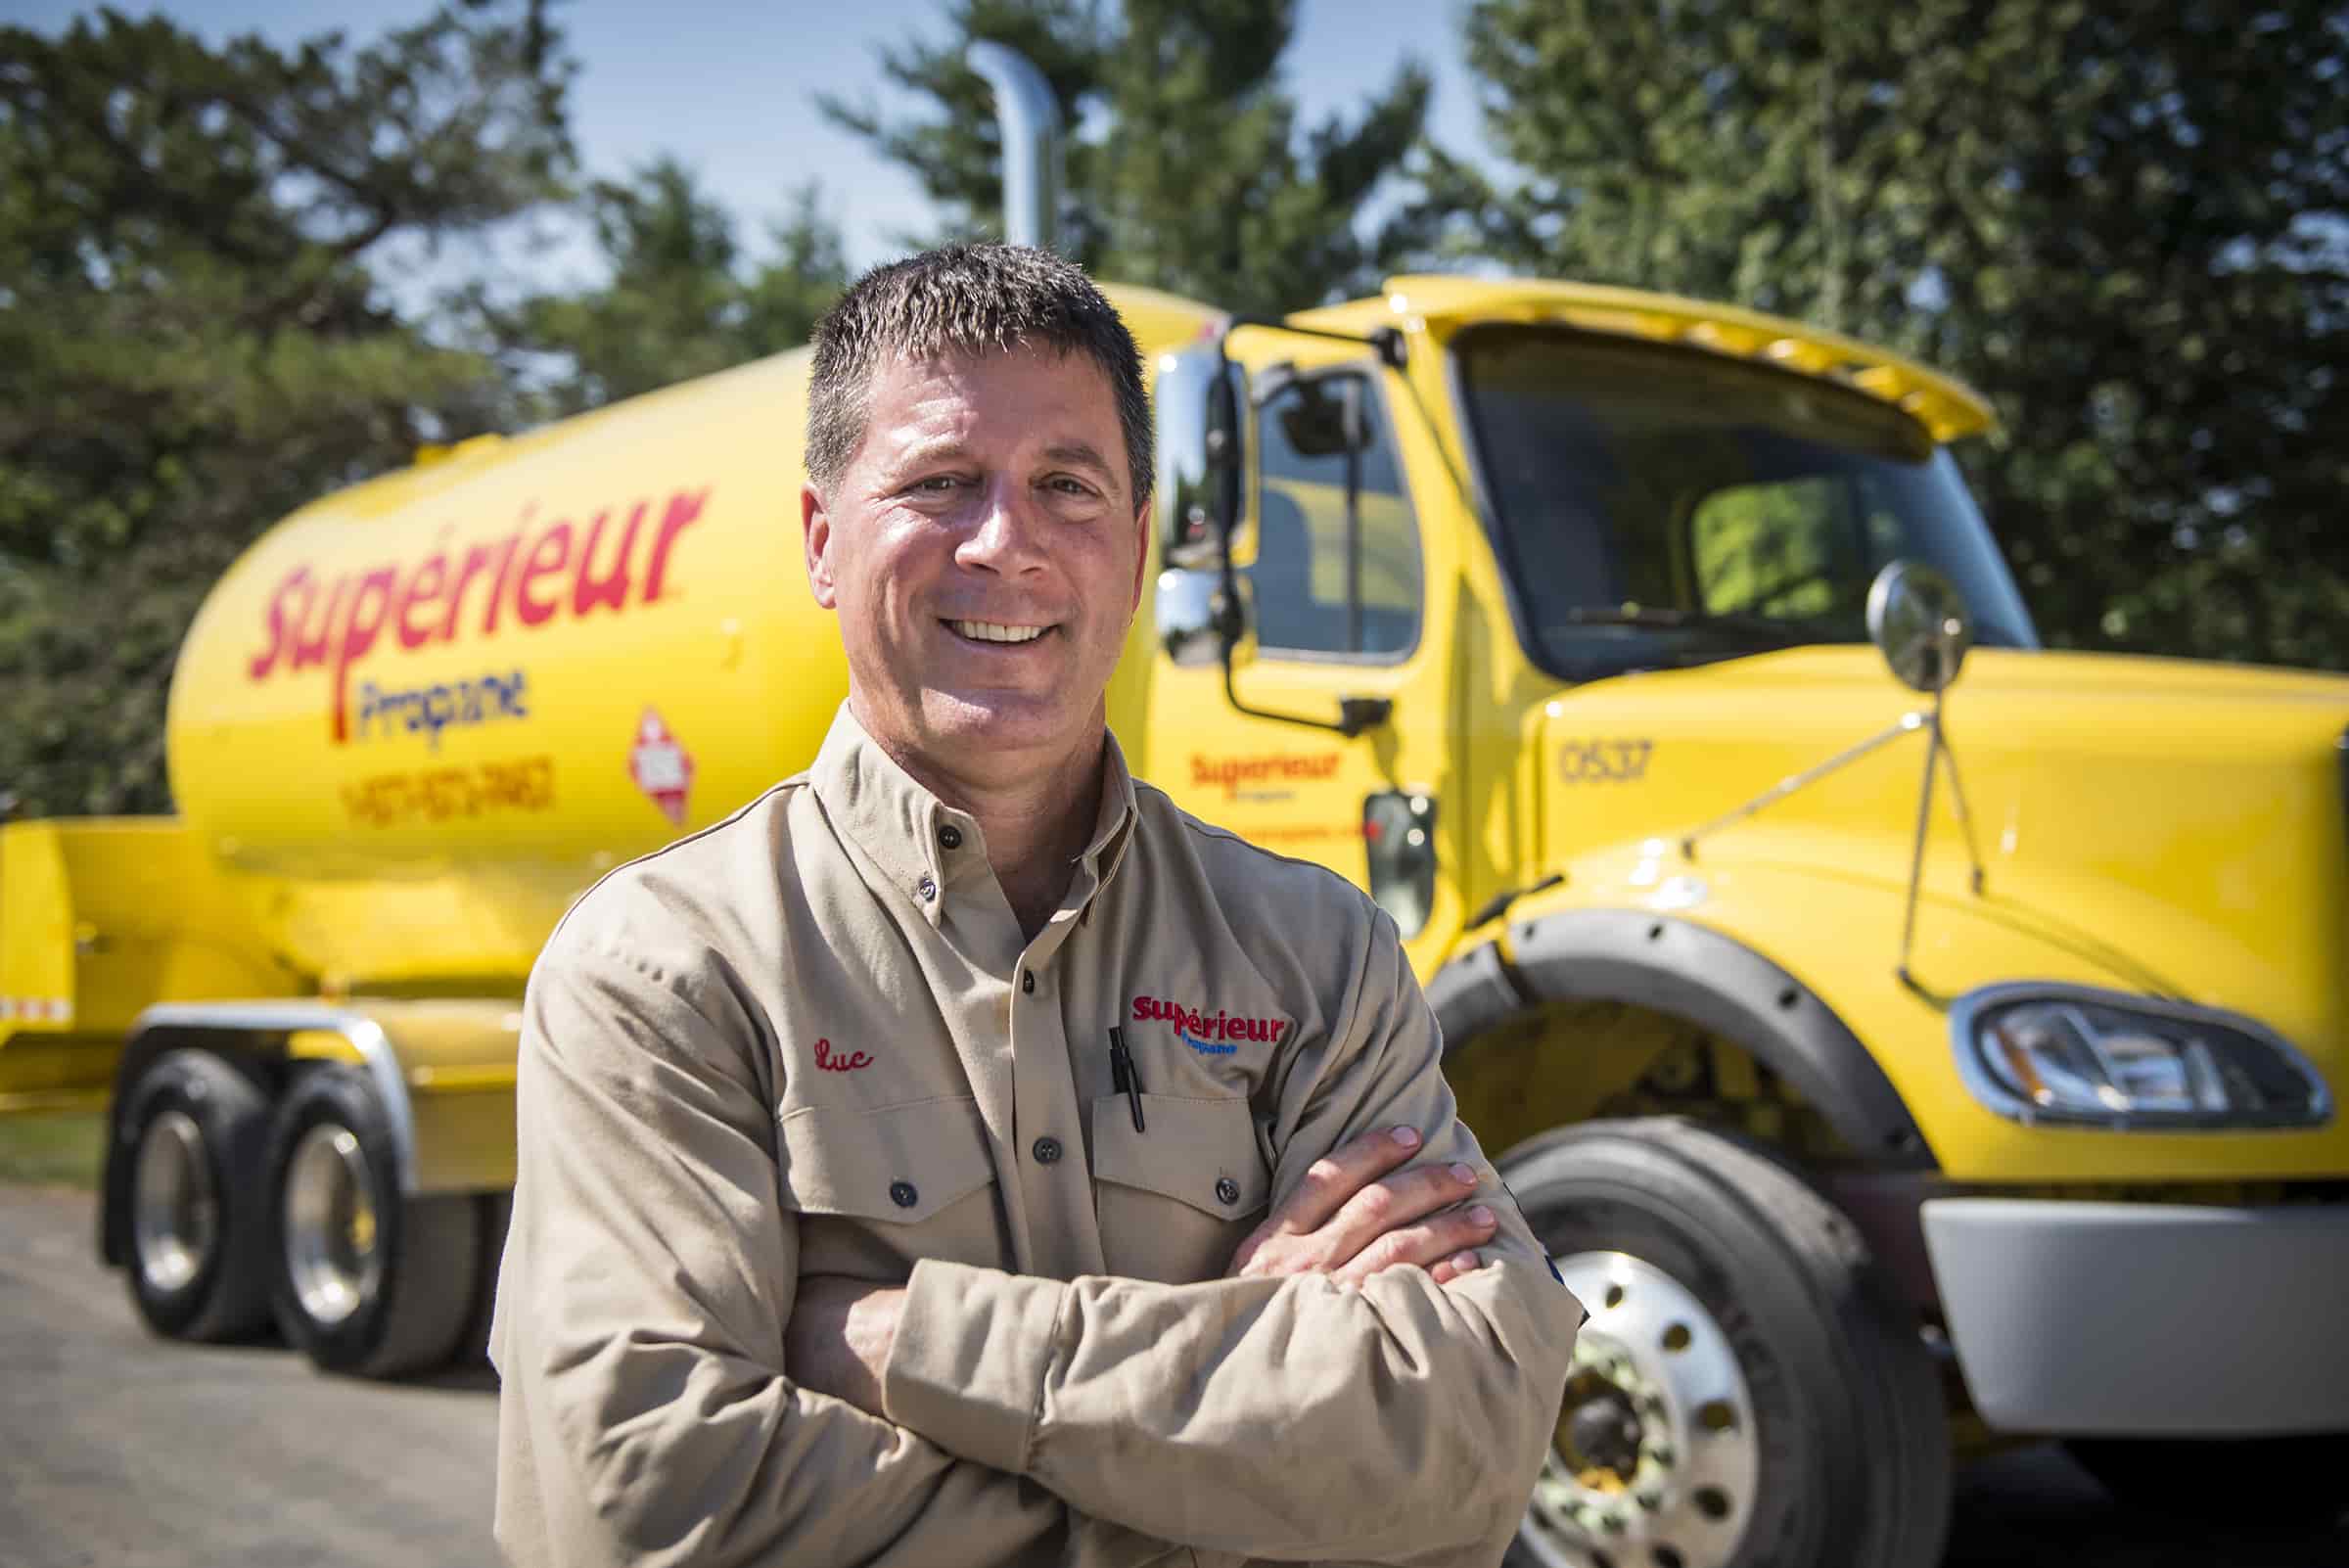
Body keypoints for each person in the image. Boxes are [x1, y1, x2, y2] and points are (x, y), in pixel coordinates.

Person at [491, 243, 1582, 1568]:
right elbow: (656, 1505)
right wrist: (1230, 1458)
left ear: (1137, 547)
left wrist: (902, 1341)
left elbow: (1469, 1434)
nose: (1006, 543)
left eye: (1067, 486)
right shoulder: (666, 970)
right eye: (940, 482)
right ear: (823, 541)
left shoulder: (1317, 956)